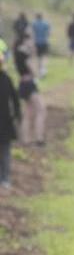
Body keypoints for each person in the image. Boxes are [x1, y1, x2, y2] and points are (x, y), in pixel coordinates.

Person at [13, 31, 44, 146]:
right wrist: (34, 53)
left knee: (28, 112)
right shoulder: (24, 54)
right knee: (40, 110)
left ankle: (25, 139)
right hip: (29, 83)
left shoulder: (17, 52)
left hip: (22, 82)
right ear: (25, 40)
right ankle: (39, 139)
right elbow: (34, 71)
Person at [0, 47, 20, 190]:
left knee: (5, 152)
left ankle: (5, 178)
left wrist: (17, 115)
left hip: (5, 122)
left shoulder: (6, 79)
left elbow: (15, 99)